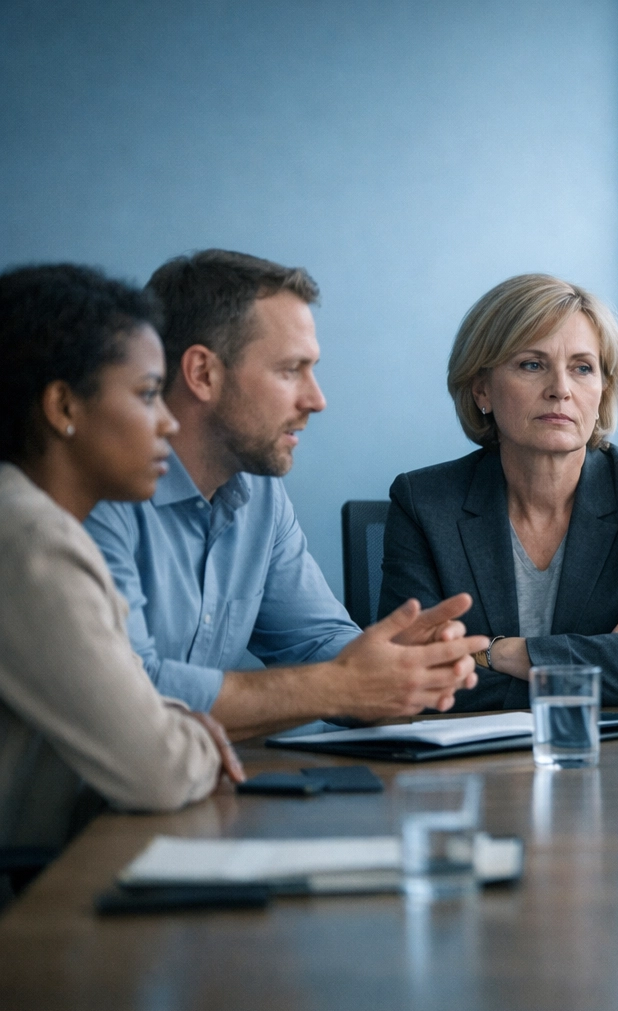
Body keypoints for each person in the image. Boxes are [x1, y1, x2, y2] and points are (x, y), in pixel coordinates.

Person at [85, 250, 486, 741]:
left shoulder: (260, 495)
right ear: (203, 373)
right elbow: (130, 691)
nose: (316, 400)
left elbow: (315, 639)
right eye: (290, 370)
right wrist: (340, 688)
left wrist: (396, 664)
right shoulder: (98, 494)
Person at [0, 264, 243, 866]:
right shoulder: (30, 540)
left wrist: (171, 719)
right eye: (146, 394)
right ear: (62, 406)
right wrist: (197, 739)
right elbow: (156, 771)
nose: (167, 420)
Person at [379, 273, 618, 709]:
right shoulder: (424, 502)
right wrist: (601, 656)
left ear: (602, 390)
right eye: (532, 365)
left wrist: (495, 652)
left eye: (582, 368)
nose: (561, 389)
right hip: (472, 771)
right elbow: (409, 677)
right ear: (482, 389)